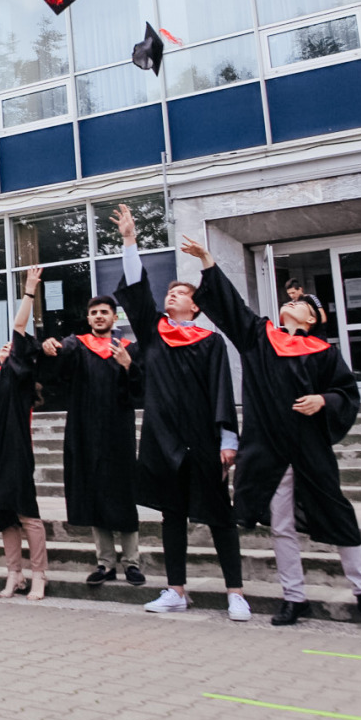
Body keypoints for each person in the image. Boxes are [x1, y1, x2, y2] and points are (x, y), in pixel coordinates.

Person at [184, 236, 361, 634]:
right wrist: (208, 261)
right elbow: (232, 310)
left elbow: (348, 393)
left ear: (313, 320)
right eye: (291, 300)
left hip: (310, 449)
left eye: (301, 304)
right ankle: (294, 597)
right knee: (280, 526)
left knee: (340, 518)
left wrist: (324, 400)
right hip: (269, 448)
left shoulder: (324, 354)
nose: (291, 303)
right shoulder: (260, 338)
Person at [108, 206, 247, 622]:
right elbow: (135, 288)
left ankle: (235, 592)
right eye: (169, 292)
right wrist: (130, 242)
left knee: (220, 515)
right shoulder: (153, 334)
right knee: (171, 515)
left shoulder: (210, 342)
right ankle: (175, 589)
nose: (172, 295)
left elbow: (223, 390)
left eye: (181, 292)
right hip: (163, 437)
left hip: (204, 438)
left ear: (197, 306)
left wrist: (227, 439)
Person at [38, 295, 144, 587]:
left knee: (123, 494)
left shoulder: (127, 349)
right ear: (88, 319)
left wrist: (126, 366)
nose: (99, 316)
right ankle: (105, 563)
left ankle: (132, 562)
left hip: (117, 432)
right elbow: (56, 363)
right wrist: (49, 348)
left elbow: (139, 389)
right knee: (95, 492)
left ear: (114, 318)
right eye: (94, 312)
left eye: (104, 312)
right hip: (85, 431)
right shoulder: (77, 345)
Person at [0, 266, 49, 600]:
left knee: (28, 514)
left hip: (17, 451)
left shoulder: (18, 376)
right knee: (5, 515)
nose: (7, 347)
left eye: (13, 347)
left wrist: (30, 290)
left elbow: (19, 326)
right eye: (4, 346)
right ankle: (14, 574)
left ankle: (39, 575)